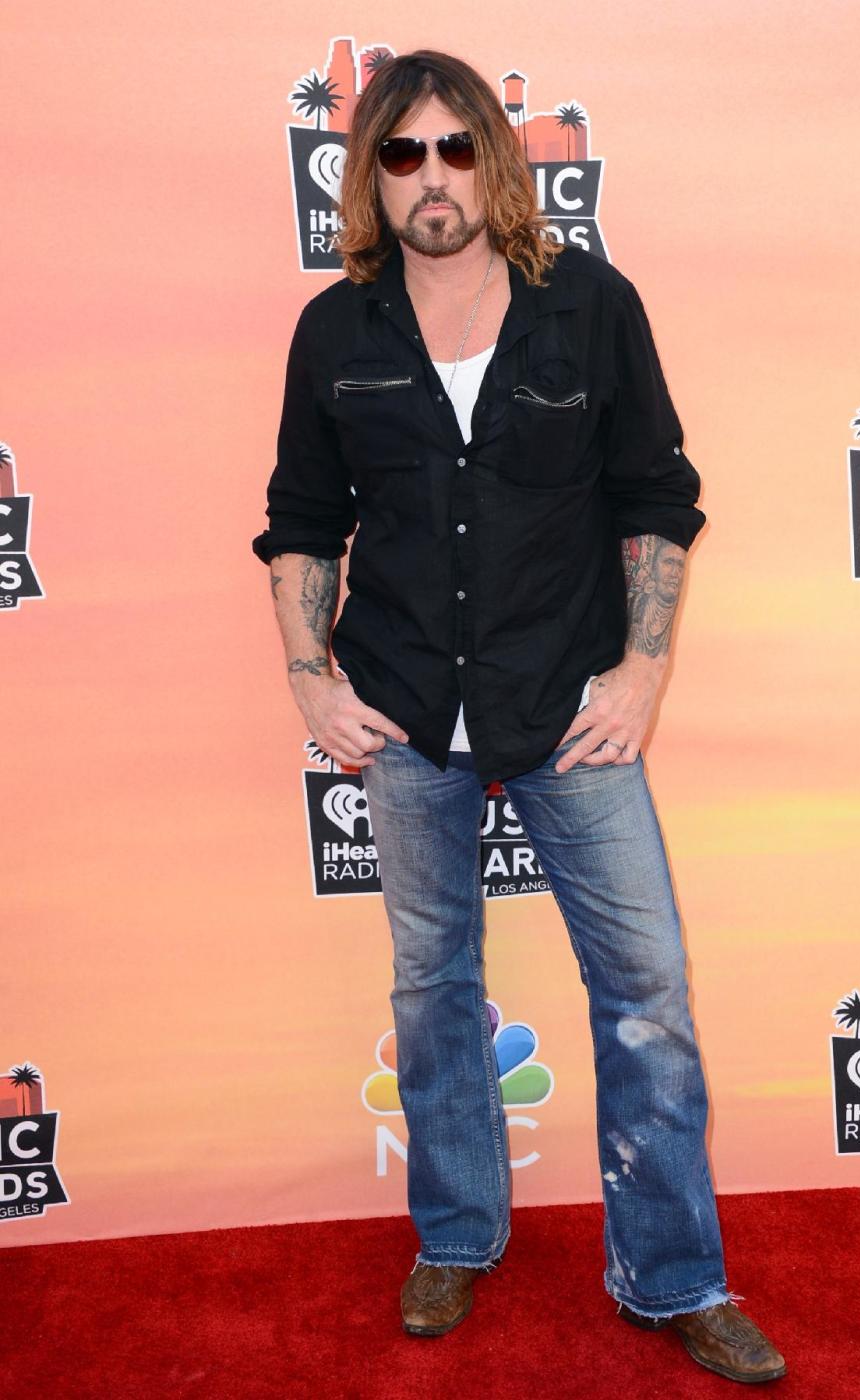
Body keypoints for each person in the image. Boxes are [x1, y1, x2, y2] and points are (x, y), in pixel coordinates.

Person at [252, 49, 786, 1386]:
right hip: (410, 711)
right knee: (435, 993)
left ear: (495, 157)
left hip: (569, 707)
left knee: (648, 995)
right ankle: (455, 1236)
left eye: (453, 148)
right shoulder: (336, 332)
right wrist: (310, 677)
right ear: (368, 177)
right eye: (400, 154)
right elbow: (304, 525)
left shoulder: (592, 308)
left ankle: (675, 1276)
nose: (432, 177)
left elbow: (658, 496)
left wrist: (645, 671)